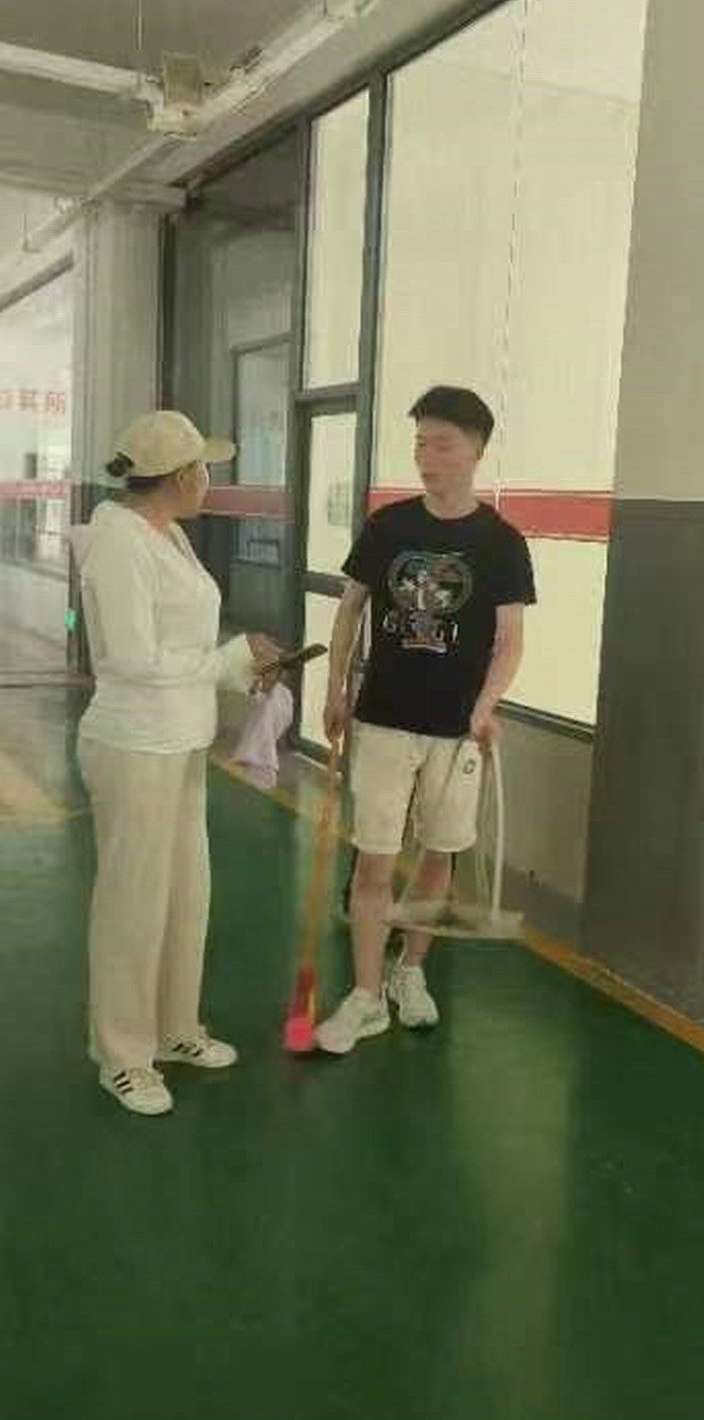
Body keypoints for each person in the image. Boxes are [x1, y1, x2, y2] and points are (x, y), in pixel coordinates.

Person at [71, 410, 281, 1116]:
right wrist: (224, 660)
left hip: (181, 739)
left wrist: (238, 671)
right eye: (205, 469)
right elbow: (132, 658)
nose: (209, 480)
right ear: (184, 475)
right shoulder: (118, 542)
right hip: (132, 745)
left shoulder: (171, 535)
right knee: (132, 901)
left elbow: (181, 646)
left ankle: (174, 1028)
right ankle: (123, 1055)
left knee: (186, 893)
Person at [316, 385, 536, 1056]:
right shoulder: (389, 527)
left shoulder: (501, 543)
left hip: (456, 729)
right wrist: (335, 687)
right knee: (376, 859)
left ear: (477, 450)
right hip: (384, 717)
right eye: (420, 443)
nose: (427, 457)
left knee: (440, 856)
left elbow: (510, 642)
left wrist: (485, 707)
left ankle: (409, 970)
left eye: (442, 444)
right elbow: (350, 609)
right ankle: (365, 996)